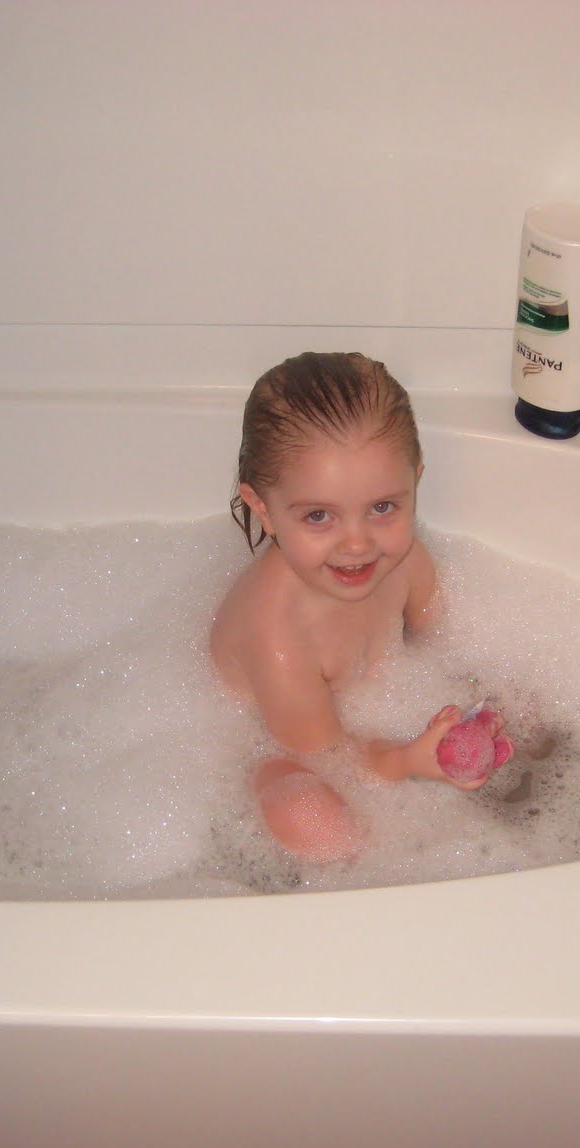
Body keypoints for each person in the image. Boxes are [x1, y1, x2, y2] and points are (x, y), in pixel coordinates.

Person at [210, 351, 509, 861]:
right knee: (312, 815)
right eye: (320, 515)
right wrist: (408, 760)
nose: (358, 544)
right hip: (285, 745)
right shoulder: (277, 633)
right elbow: (328, 757)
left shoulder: (405, 559)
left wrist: (481, 711)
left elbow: (444, 638)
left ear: (415, 479)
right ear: (263, 509)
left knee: (530, 714)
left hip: (364, 719)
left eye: (382, 507)